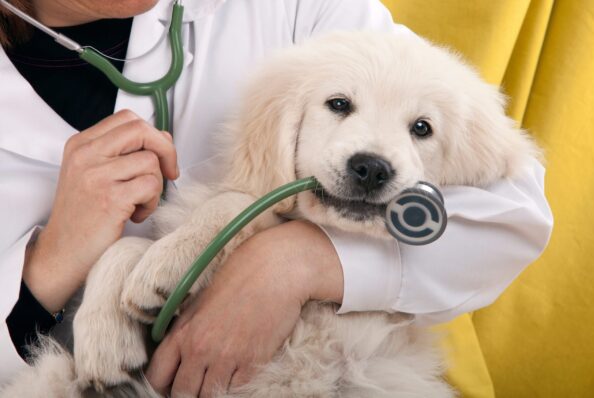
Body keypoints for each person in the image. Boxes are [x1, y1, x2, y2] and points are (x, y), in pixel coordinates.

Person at [0, 0, 553, 396]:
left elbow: (511, 209)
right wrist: (47, 269)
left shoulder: (293, 9)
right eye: (339, 105)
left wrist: (296, 263)